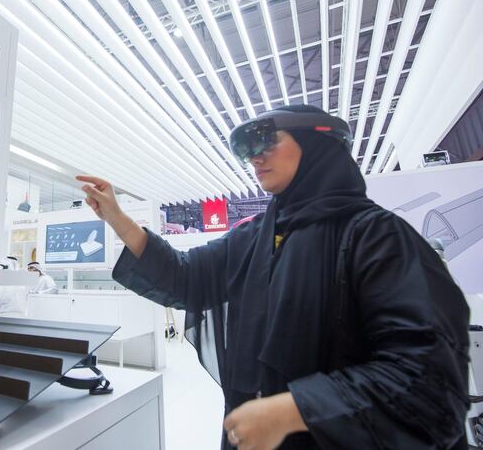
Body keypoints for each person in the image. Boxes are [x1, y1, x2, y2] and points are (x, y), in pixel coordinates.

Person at [78, 105, 469, 449]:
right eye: (249, 151)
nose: (256, 159)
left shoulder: (376, 236)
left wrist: (292, 409)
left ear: (317, 142)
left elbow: (426, 378)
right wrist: (117, 217)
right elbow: (187, 277)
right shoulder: (256, 236)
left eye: (267, 143)